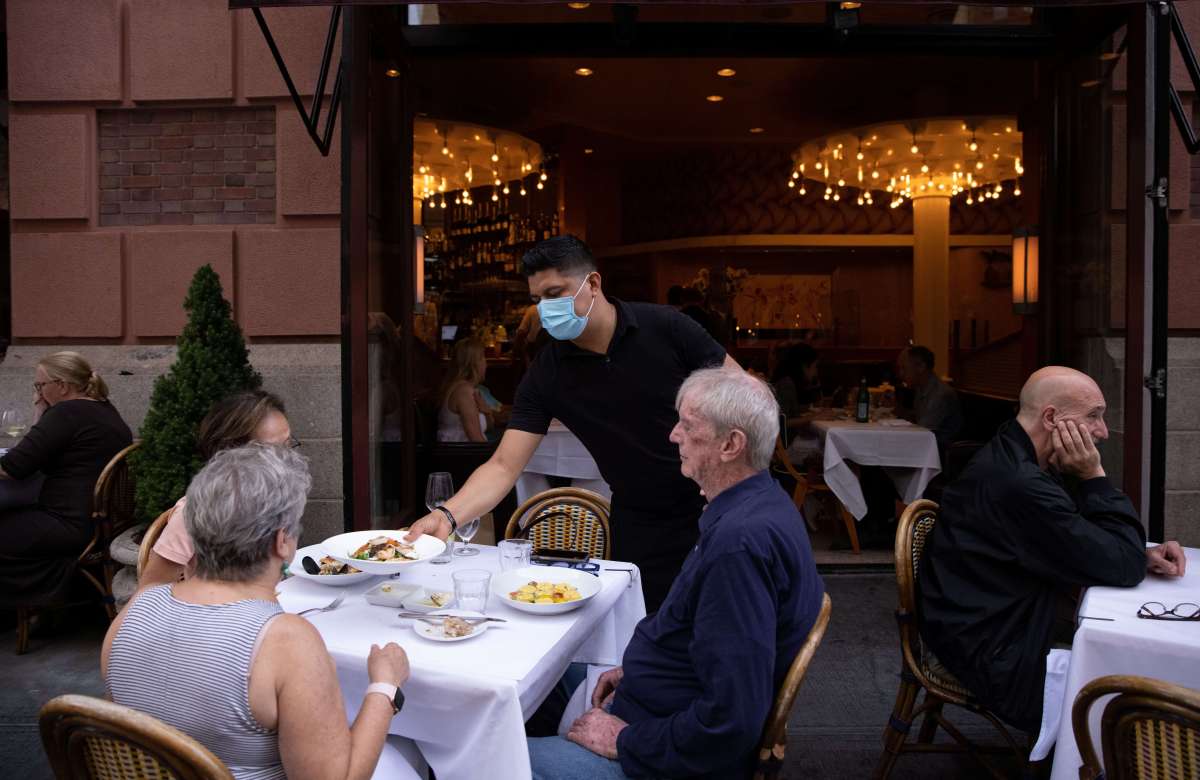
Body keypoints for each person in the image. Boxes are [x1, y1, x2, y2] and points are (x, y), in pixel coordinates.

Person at [406, 235, 738, 610]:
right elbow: (503, 465)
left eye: (555, 293)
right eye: (537, 300)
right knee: (650, 643)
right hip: (639, 523)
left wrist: (738, 490)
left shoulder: (667, 328)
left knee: (731, 634)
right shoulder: (548, 373)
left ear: (593, 284)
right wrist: (447, 516)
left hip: (718, 508)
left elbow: (743, 399)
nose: (545, 309)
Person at [527, 368, 825, 779]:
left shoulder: (739, 546)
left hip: (660, 752)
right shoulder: (759, 504)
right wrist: (639, 669)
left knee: (479, 759)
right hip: (656, 703)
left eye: (687, 425)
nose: (673, 435)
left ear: (730, 444)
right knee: (533, 675)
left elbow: (732, 719)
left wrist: (624, 740)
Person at [104, 444, 415, 780]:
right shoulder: (285, 641)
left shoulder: (135, 609)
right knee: (405, 753)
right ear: (283, 542)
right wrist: (386, 686)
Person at [918, 366, 1188, 733]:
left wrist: (1139, 554)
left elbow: (1087, 541)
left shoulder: (1019, 454)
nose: (1102, 432)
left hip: (988, 622)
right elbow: (1121, 567)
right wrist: (1094, 476)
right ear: (1051, 418)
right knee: (1150, 692)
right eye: (1093, 416)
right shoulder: (1019, 482)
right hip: (995, 651)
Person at [0, 352, 132, 608]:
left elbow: (13, 467)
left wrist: (43, 411)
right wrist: (42, 410)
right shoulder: (104, 408)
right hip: (99, 524)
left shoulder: (67, 413)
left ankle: (23, 605)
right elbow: (36, 452)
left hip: (67, 525)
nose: (37, 392)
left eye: (40, 386)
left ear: (61, 386)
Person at [139, 390, 295, 588]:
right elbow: (149, 590)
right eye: (274, 451)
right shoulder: (195, 514)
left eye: (289, 445)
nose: (289, 459)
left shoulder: (275, 499)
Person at [897, 345, 963, 448]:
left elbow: (921, 431)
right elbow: (916, 419)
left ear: (921, 367)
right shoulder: (920, 388)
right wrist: (895, 408)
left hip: (939, 452)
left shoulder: (941, 394)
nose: (901, 374)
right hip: (925, 446)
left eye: (904, 368)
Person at [436, 338, 491, 443]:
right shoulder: (463, 392)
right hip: (460, 456)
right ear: (474, 363)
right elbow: (476, 441)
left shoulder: (469, 388)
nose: (485, 362)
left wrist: (486, 411)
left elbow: (488, 427)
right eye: (482, 357)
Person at [772, 341, 821, 419]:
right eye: (815, 366)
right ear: (804, 366)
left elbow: (791, 409)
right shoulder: (786, 384)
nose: (816, 372)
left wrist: (812, 408)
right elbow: (782, 422)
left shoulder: (788, 380)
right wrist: (813, 417)